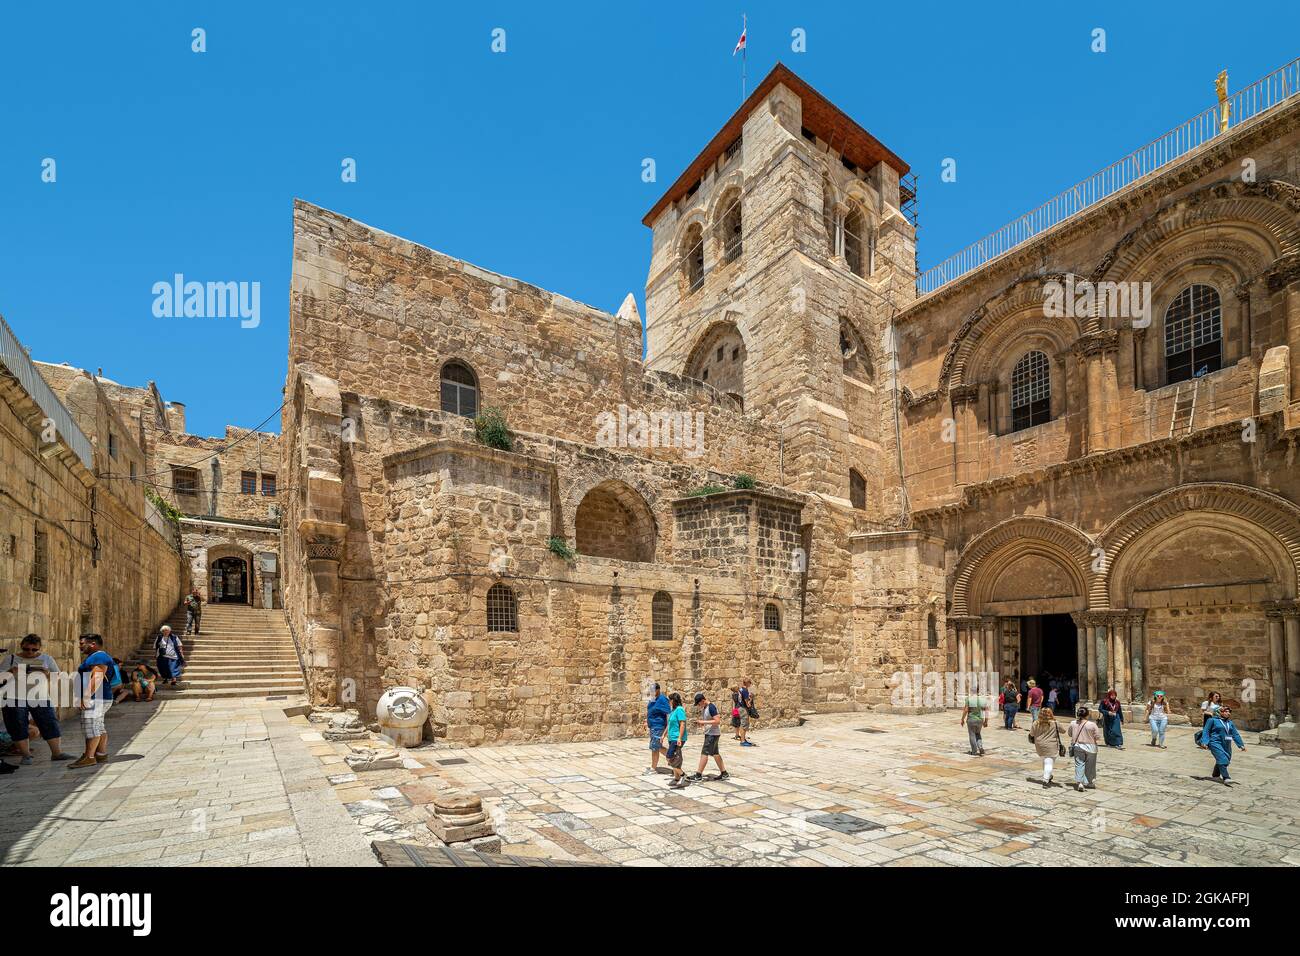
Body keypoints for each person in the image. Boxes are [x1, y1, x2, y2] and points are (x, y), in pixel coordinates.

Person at [0, 634, 73, 765]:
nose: (30, 652)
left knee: (50, 723)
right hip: (14, 697)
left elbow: (58, 677)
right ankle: (26, 755)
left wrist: (47, 674)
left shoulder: (47, 659)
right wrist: (11, 671)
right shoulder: (10, 659)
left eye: (34, 650)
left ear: (39, 648)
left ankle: (57, 753)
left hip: (40, 697)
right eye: (27, 649)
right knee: (18, 725)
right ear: (22, 646)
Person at [69, 633, 114, 769]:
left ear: (92, 644)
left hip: (97, 698)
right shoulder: (96, 657)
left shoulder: (99, 656)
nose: (80, 646)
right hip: (101, 697)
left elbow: (98, 677)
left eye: (82, 643)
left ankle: (89, 757)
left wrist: (86, 696)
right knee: (98, 726)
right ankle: (100, 754)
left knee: (91, 727)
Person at [689, 691, 728, 781]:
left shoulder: (711, 707)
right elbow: (711, 720)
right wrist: (702, 723)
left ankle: (698, 775)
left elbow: (717, 721)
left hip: (712, 734)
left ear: (703, 700)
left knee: (704, 753)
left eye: (699, 703)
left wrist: (703, 722)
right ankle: (724, 773)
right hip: (711, 733)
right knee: (715, 753)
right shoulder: (706, 708)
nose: (699, 706)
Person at [1202, 705, 1246, 784]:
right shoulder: (1212, 720)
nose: (1228, 713)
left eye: (1229, 712)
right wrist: (1205, 742)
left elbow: (1235, 734)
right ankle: (1226, 777)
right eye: (1226, 711)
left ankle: (1215, 775)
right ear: (1219, 712)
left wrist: (1240, 744)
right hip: (1215, 742)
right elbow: (1206, 731)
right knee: (1222, 758)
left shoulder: (1230, 722)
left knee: (1226, 758)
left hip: (1226, 743)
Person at [1067, 705, 1101, 791]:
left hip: (1078, 746)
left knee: (1079, 764)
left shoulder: (1073, 723)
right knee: (1090, 766)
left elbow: (1070, 734)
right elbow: (1097, 737)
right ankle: (1090, 782)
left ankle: (1080, 783)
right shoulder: (1092, 724)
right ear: (1087, 714)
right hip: (1091, 747)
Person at [1030, 706, 1063, 787]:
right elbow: (1063, 731)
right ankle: (1045, 779)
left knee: (1045, 761)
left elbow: (1031, 734)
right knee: (1049, 762)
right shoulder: (1055, 723)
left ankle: (1049, 775)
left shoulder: (1036, 723)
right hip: (1051, 746)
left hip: (1039, 745)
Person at [662, 692, 689, 788]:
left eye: (670, 700)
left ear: (673, 700)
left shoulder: (680, 709)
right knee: (676, 758)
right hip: (671, 737)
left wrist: (679, 738)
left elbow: (682, 724)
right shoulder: (673, 711)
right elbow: (669, 725)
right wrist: (663, 736)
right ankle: (677, 778)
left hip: (677, 738)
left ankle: (683, 776)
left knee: (669, 757)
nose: (669, 702)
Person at [644, 682, 671, 775]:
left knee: (656, 746)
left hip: (658, 726)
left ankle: (671, 758)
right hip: (653, 726)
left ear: (658, 690)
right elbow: (650, 711)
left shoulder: (663, 699)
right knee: (655, 746)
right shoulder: (653, 699)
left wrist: (667, 728)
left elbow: (668, 713)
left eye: (653, 691)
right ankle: (671, 757)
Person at [960, 688, 986, 756]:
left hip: (971, 719)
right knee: (978, 733)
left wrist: (962, 719)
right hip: (980, 719)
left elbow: (966, 710)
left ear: (971, 692)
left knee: (972, 735)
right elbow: (986, 710)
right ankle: (980, 747)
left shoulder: (969, 699)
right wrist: (986, 721)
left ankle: (974, 751)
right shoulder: (982, 699)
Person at [738, 678, 757, 747]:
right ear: (747, 683)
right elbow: (747, 703)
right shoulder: (745, 690)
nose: (750, 684)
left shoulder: (741, 689)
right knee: (744, 724)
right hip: (743, 709)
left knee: (742, 724)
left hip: (740, 707)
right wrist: (751, 698)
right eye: (750, 683)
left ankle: (743, 739)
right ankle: (743, 741)